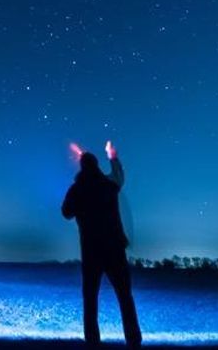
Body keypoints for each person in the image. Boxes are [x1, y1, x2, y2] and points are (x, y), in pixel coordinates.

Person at [62, 141, 142, 348]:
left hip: (91, 252)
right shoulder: (109, 185)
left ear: (82, 166)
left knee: (90, 300)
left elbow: (66, 213)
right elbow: (119, 176)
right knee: (125, 297)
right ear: (97, 165)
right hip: (115, 249)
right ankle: (134, 342)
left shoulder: (77, 189)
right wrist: (113, 157)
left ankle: (92, 343)